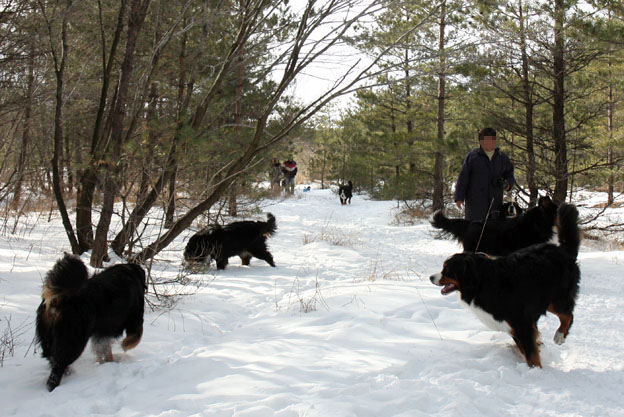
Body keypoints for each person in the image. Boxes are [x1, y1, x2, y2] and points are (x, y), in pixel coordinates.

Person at [454, 127, 515, 222]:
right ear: (480, 141)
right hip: (475, 205)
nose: (489, 142)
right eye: (486, 140)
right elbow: (463, 178)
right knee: (475, 233)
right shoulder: (472, 157)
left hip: (495, 205)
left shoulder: (502, 158)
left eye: (492, 140)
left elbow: (510, 175)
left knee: (493, 233)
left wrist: (507, 185)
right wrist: (459, 197)